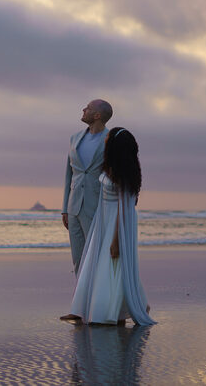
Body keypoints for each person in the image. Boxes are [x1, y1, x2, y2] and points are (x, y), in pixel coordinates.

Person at [63, 127, 156, 326]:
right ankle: (95, 308)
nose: (104, 139)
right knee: (97, 264)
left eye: (107, 137)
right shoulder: (110, 167)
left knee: (112, 264)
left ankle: (112, 311)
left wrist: (116, 240)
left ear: (115, 144)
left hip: (116, 222)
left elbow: (124, 208)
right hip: (103, 220)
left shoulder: (123, 172)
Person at [62, 99, 112, 275]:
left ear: (97, 115)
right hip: (73, 207)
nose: (84, 109)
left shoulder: (110, 139)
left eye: (88, 108)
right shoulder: (75, 138)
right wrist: (64, 209)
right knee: (78, 258)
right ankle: (80, 300)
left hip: (97, 205)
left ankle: (97, 297)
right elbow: (69, 174)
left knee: (96, 256)